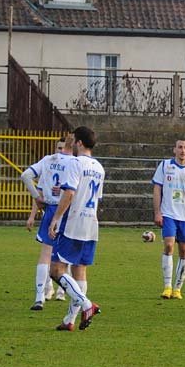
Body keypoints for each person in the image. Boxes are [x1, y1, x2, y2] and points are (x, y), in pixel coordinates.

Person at [48, 126, 104, 331]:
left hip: (73, 223)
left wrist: (56, 218)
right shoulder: (99, 167)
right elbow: (97, 199)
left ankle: (87, 305)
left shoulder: (74, 163)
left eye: (73, 140)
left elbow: (69, 193)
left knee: (56, 270)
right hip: (91, 224)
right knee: (80, 270)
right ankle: (69, 320)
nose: (71, 143)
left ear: (79, 143)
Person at [21, 135, 73, 310]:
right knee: (69, 256)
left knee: (45, 255)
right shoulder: (76, 162)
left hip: (51, 209)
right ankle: (75, 299)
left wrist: (37, 198)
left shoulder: (47, 160)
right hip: (69, 211)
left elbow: (26, 176)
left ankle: (39, 297)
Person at [152, 139, 185, 300]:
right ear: (174, 150)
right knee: (168, 245)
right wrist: (157, 212)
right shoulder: (165, 166)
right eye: (180, 147)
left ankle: (177, 288)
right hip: (169, 213)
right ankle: (167, 286)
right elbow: (157, 189)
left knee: (183, 251)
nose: (183, 150)